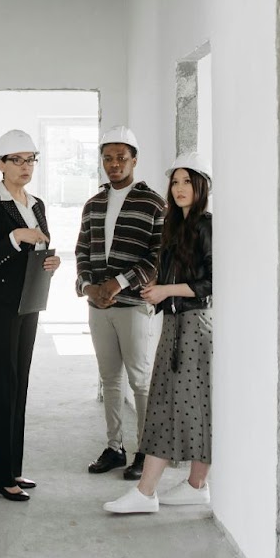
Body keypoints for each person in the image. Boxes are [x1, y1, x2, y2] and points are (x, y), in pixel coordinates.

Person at [104, 152, 214, 514]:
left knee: (174, 407)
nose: (180, 188)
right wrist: (157, 286)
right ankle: (194, 484)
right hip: (174, 324)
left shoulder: (205, 226)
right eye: (176, 181)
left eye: (187, 181)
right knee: (181, 406)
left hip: (194, 327)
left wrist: (167, 290)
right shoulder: (175, 227)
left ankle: (148, 490)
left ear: (201, 186)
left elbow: (209, 283)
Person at [0, 129, 61, 502]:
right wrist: (15, 238)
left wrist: (50, 261)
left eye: (31, 160)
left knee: (20, 383)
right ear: (0, 164)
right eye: (17, 160)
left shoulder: (37, 203)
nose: (26, 167)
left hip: (28, 301)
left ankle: (14, 468)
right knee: (4, 382)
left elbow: (41, 245)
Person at [74, 126, 165, 480]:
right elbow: (81, 251)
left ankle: (145, 451)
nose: (114, 165)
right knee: (109, 379)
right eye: (108, 158)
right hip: (99, 307)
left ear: (134, 160)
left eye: (121, 158)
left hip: (132, 306)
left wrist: (119, 282)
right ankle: (115, 448)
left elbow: (159, 256)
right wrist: (87, 287)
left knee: (140, 380)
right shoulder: (94, 204)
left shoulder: (153, 203)